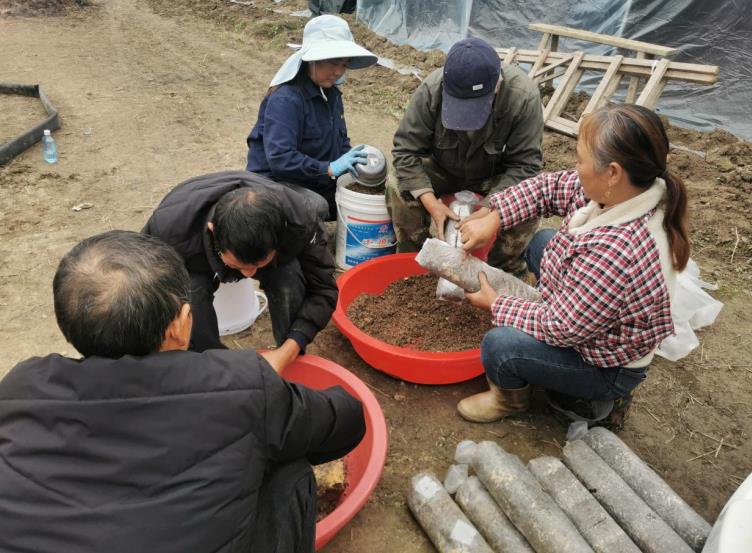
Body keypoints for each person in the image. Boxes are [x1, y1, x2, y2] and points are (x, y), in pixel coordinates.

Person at [0, 230, 365, 553]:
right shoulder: (240, 385)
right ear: (181, 324)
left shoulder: (19, 389)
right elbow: (346, 418)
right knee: (291, 470)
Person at [456, 104, 689, 429]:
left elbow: (561, 328)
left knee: (500, 345)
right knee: (544, 241)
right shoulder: (632, 188)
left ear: (612, 172)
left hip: (606, 365)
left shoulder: (617, 250)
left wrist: (497, 304)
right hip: (591, 312)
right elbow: (548, 188)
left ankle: (509, 398)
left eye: (580, 160)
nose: (576, 167)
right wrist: (495, 215)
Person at [143, 171, 337, 372]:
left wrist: (289, 349)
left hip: (271, 247)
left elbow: (323, 290)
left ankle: (290, 358)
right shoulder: (168, 230)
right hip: (194, 254)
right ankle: (212, 367)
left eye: (258, 265)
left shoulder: (299, 221)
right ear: (213, 230)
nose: (248, 275)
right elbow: (145, 294)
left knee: (289, 275)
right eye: (238, 266)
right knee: (189, 294)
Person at [387, 36, 544, 278]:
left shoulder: (522, 97)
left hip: (494, 179)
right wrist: (431, 202)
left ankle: (502, 270)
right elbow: (405, 151)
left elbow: (525, 167)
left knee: (528, 202)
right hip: (444, 171)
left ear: (497, 87)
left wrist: (489, 208)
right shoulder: (432, 89)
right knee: (398, 184)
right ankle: (414, 261)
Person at [245, 15, 378, 220]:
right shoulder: (286, 99)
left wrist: (355, 163)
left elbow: (340, 142)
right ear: (312, 60)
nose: (338, 72)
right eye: (333, 63)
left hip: (312, 179)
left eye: (344, 64)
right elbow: (281, 159)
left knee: (362, 198)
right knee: (315, 206)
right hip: (274, 183)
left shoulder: (331, 94)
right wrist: (329, 168)